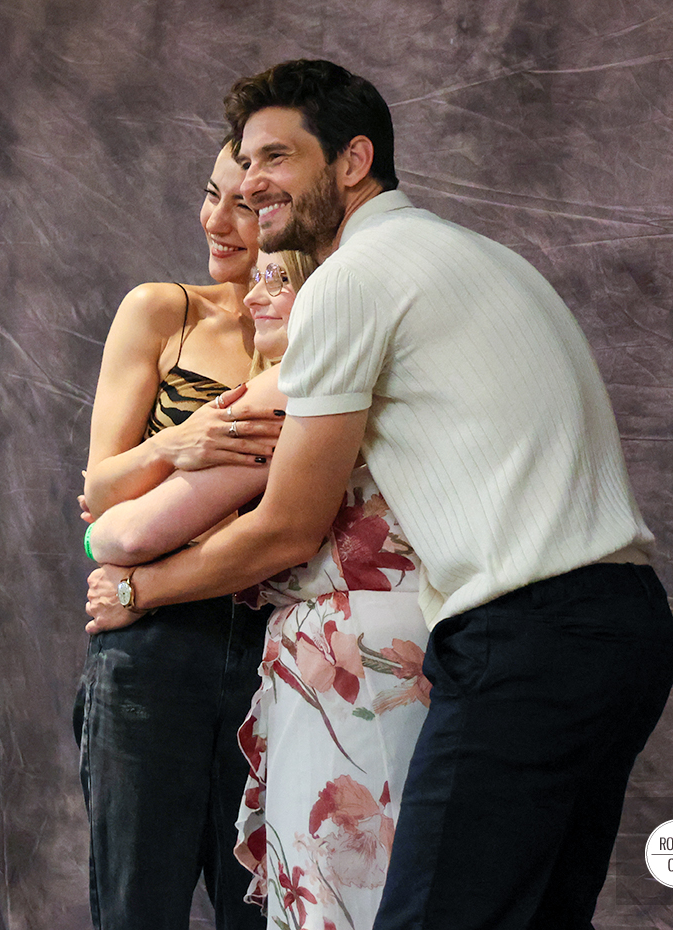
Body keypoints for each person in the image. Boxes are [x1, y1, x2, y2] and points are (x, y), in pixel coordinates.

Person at [86, 60, 673, 930]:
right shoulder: (473, 253)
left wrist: (142, 588)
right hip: (627, 629)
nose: (251, 186)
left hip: (523, 638)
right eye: (245, 163)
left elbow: (286, 528)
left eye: (276, 159)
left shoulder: (351, 281)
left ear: (354, 159)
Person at [86, 250, 432, 930]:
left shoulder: (301, 382)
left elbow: (118, 531)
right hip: (403, 657)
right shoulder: (380, 370)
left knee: (334, 895)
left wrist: (127, 580)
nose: (252, 295)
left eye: (279, 279)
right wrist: (167, 452)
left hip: (346, 665)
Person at [76, 144, 280, 930]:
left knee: (261, 910)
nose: (216, 222)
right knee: (137, 909)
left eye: (246, 207)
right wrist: (176, 443)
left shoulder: (314, 332)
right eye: (211, 195)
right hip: (152, 645)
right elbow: (99, 495)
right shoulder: (166, 310)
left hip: (276, 647)